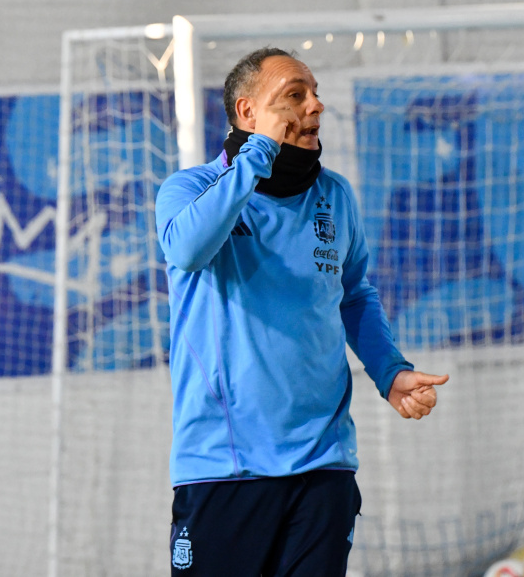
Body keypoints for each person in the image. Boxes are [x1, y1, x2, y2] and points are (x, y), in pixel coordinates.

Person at [155, 47, 449, 576]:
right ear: (248, 113)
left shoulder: (334, 196)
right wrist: (256, 158)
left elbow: (354, 294)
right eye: (294, 95)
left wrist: (391, 371)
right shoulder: (192, 190)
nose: (314, 106)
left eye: (314, 93)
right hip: (224, 467)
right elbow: (188, 251)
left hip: (322, 465)